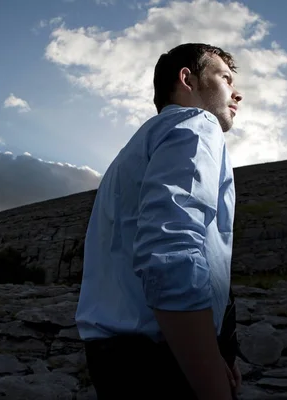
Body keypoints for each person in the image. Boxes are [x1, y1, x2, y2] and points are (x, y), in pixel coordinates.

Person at [75, 43, 243, 400]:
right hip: (159, 360)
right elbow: (171, 254)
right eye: (225, 78)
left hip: (118, 356)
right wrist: (210, 376)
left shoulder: (130, 154)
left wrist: (216, 348)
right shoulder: (197, 124)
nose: (237, 93)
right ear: (188, 79)